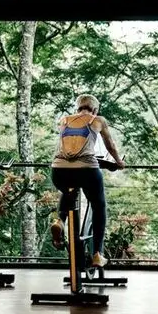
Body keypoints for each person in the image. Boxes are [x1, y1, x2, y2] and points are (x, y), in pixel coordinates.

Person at [50, 94, 124, 268]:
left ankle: (59, 221)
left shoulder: (64, 120)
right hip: (87, 170)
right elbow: (110, 146)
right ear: (95, 110)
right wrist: (119, 162)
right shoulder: (98, 120)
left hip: (59, 170)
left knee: (68, 190)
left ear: (77, 108)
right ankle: (97, 254)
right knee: (99, 206)